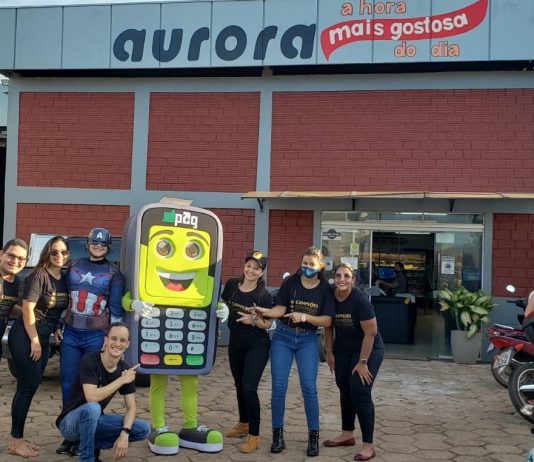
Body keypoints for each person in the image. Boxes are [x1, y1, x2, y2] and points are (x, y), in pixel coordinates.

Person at [254, 246, 335, 458]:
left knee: (309, 388)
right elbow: (281, 309)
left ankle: (313, 436)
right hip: (283, 337)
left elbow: (327, 320)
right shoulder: (291, 282)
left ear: (321, 266)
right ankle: (277, 435)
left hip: (308, 340)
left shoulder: (325, 289)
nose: (307, 267)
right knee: (278, 387)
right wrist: (266, 312)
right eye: (304, 263)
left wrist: (305, 317)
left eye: (311, 264)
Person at [55, 228, 125, 456]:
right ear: (87, 244)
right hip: (71, 334)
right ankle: (69, 434)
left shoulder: (114, 273)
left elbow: (116, 311)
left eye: (102, 243)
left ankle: (88, 435)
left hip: (96, 335)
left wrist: (111, 341)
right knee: (68, 383)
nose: (98, 245)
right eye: (94, 242)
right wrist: (57, 325)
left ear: (108, 247)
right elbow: (63, 299)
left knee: (94, 387)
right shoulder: (73, 265)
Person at [8, 236, 69, 458]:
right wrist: (34, 340)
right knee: (28, 386)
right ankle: (15, 441)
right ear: (47, 253)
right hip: (26, 335)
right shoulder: (38, 275)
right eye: (54, 252)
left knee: (28, 387)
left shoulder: (63, 278)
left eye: (63, 252)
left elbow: (56, 311)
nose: (59, 256)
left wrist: (56, 329)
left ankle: (18, 438)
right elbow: (27, 309)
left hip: (43, 336)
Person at [56, 322, 150, 462]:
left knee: (143, 429)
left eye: (122, 340)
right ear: (106, 340)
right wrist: (121, 380)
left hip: (94, 421)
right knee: (93, 408)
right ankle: (87, 458)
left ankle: (92, 445)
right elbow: (91, 397)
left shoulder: (125, 370)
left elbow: (131, 407)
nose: (117, 344)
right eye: (113, 338)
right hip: (69, 424)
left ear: (128, 344)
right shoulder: (90, 360)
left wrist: (124, 434)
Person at [323, 263, 384, 462]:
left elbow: (371, 333)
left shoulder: (360, 301)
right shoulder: (330, 296)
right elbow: (328, 326)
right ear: (333, 278)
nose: (342, 279)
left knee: (360, 390)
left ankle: (368, 446)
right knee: (345, 387)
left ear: (353, 280)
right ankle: (347, 434)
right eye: (338, 275)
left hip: (368, 349)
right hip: (343, 349)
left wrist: (363, 362)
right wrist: (329, 352)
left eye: (346, 276)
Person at [221, 251, 273, 453]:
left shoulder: (263, 296)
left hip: (257, 344)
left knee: (249, 388)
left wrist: (254, 320)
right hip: (236, 342)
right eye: (249, 266)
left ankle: (254, 435)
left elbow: (267, 324)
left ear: (262, 272)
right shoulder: (232, 285)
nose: (251, 270)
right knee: (239, 385)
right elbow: (223, 304)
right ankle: (243, 423)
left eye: (256, 268)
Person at [0, 238, 29, 360]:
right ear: (1, 254)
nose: (15, 261)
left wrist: (30, 314)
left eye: (21, 258)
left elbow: (8, 306)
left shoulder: (15, 281)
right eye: (11, 256)